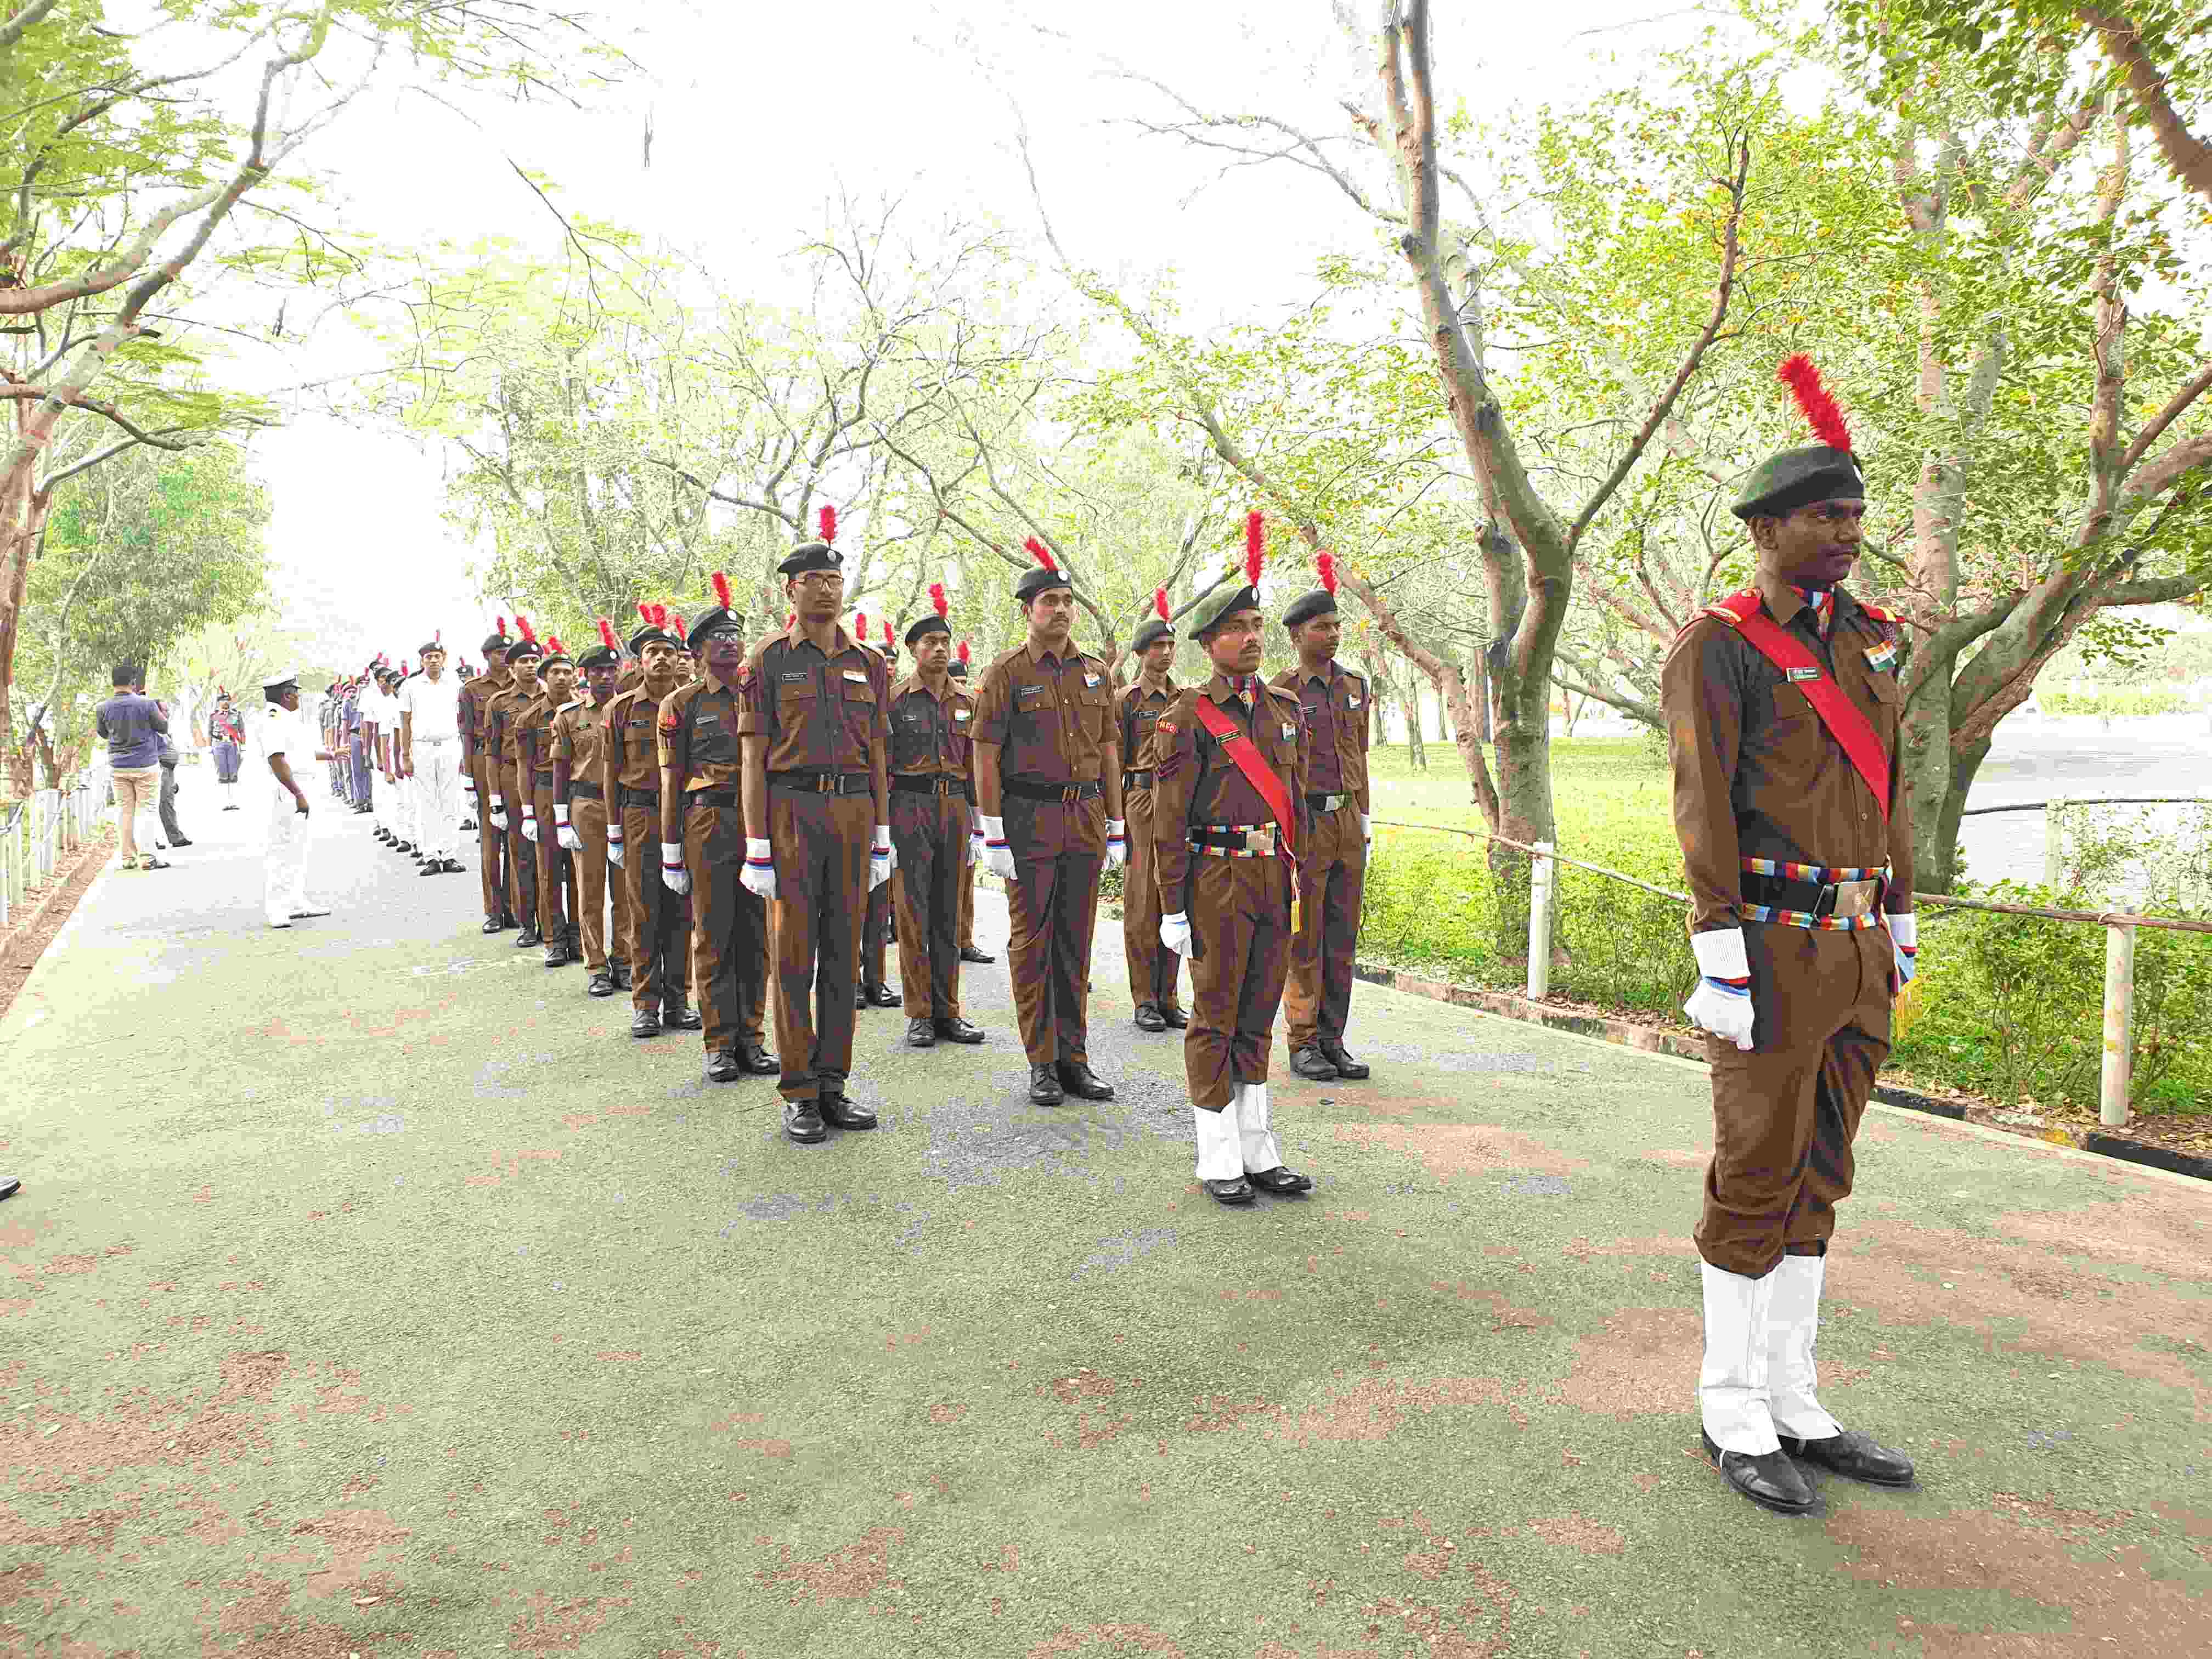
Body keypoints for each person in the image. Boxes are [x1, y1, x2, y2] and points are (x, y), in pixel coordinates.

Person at [1661, 355, 1918, 1517]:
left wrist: (1899, 915)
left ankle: (1794, 1399)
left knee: (1823, 1172)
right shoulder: (1718, 644)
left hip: (1858, 948)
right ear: (1765, 529)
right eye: (1825, 514)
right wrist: (1717, 951)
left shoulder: (1873, 637)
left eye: (1855, 513)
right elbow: (1702, 802)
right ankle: (1730, 1406)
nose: (1848, 531)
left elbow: (1891, 787)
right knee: (1756, 1170)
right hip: (1768, 946)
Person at [1150, 513, 1315, 1205]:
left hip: (1273, 876)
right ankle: (1218, 1156)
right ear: (1208, 643)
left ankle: (1259, 1150)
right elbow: (1167, 820)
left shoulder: (1283, 709)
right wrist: (1172, 907)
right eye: (1235, 629)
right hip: (1214, 879)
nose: (1250, 638)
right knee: (1214, 1016)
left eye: (1256, 625)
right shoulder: (1186, 717)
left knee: (1259, 1013)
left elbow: (1296, 806)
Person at [729, 514, 891, 1138]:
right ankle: (799, 1089)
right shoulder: (767, 659)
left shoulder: (869, 662)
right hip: (792, 812)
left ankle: (834, 1083)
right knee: (794, 957)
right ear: (790, 589)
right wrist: (758, 846)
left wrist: (882, 834)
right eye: (814, 580)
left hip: (852, 812)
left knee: (845, 957)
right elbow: (752, 757)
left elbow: (878, 753)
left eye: (834, 579)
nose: (826, 589)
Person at [972, 539, 1124, 1107]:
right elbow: (985, 753)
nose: (1059, 610)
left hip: (1083, 815)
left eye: (1066, 601)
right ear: (1027, 611)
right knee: (1032, 943)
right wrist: (992, 831)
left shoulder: (1095, 672)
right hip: (1028, 819)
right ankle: (1042, 1061)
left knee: (1075, 942)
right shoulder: (1006, 672)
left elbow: (1108, 749)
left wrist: (1116, 822)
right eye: (1048, 601)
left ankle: (1074, 1058)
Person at [659, 579, 778, 1082]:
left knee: (757, 936)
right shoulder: (681, 704)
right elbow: (671, 780)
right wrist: (670, 850)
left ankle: (753, 1037)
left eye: (735, 635)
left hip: (759, 823)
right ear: (698, 650)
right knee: (713, 936)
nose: (729, 643)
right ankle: (719, 1043)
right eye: (718, 637)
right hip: (708, 822)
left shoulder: (762, 694)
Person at [1273, 554, 1374, 1082]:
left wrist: (1366, 818)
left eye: (1336, 626)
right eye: (1321, 628)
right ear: (1296, 635)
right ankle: (1303, 1040)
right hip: (1305, 825)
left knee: (1342, 936)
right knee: (1305, 936)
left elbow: (1361, 756)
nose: (1333, 635)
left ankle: (1334, 1039)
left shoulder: (1354, 685)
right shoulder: (1280, 692)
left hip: (1347, 822)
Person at [888, 586, 986, 1048]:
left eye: (945, 642)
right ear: (913, 650)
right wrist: (884, 832)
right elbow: (883, 767)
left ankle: (949, 1011)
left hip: (954, 808)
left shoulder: (966, 701)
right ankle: (920, 1013)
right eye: (930, 643)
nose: (941, 649)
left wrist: (980, 827)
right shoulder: (895, 701)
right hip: (910, 806)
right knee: (914, 914)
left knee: (950, 912)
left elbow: (975, 767)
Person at [604, 606, 699, 1037]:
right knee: (644, 911)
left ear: (680, 659)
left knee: (681, 910)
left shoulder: (693, 703)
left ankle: (679, 1000)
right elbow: (610, 772)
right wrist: (614, 829)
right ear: (640, 662)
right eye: (652, 652)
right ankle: (645, 1004)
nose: (661, 658)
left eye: (668, 652)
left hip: (686, 814)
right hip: (640, 815)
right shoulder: (621, 709)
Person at [1118, 591, 1186, 1034]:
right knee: (1143, 902)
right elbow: (1114, 760)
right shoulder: (1126, 700)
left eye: (1170, 645)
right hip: (1141, 800)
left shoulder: (1186, 698)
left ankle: (1169, 997)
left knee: (1174, 898)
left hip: (1177, 803)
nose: (1165, 652)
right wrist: (1115, 821)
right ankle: (1144, 998)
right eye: (1157, 646)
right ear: (1142, 653)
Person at [553, 621, 629, 996]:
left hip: (625, 806)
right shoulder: (569, 716)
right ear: (586, 674)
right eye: (597, 670)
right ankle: (596, 965)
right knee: (590, 890)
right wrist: (561, 817)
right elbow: (560, 768)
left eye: (610, 670)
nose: (605, 676)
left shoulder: (629, 708)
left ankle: (624, 961)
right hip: (587, 805)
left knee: (625, 891)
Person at [258, 668, 335, 928]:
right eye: (295, 693)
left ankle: (295, 902)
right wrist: (298, 794)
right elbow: (277, 760)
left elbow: (298, 753)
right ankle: (277, 909)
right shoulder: (272, 719)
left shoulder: (286, 718)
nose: (298, 698)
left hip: (298, 784)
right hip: (288, 787)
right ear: (286, 696)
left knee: (298, 848)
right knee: (282, 850)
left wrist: (330, 755)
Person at [484, 624, 546, 947]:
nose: (531, 666)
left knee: (551, 857)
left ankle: (552, 924)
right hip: (512, 779)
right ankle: (527, 923)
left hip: (548, 779)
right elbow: (492, 753)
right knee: (522, 855)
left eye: (535, 660)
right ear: (512, 666)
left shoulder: (556, 696)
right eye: (524, 661)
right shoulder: (499, 703)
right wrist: (495, 798)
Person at [521, 637, 580, 967]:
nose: (561, 678)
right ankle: (554, 940)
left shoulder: (587, 711)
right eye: (555, 672)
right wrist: (528, 812)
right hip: (544, 792)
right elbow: (524, 768)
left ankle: (579, 938)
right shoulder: (530, 718)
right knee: (549, 870)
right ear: (545, 677)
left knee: (580, 871)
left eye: (567, 672)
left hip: (578, 793)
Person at [460, 622, 516, 933]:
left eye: (507, 652)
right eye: (498, 653)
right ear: (486, 656)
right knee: (491, 839)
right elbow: (467, 736)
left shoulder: (522, 683)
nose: (504, 657)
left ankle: (516, 907)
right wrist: (469, 777)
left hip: (515, 762)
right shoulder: (472, 689)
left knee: (518, 839)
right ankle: (494, 910)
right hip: (484, 761)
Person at [400, 635, 467, 875]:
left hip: (450, 745)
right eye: (429, 657)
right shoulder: (410, 686)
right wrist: (405, 755)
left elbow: (463, 719)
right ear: (422, 661)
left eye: (437, 656)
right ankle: (430, 855)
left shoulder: (455, 684)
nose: (433, 661)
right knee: (426, 803)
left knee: (451, 802)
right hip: (422, 747)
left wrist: (464, 752)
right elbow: (405, 722)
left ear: (444, 659)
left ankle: (449, 855)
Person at [94, 664, 168, 871]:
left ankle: (127, 858)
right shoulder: (146, 704)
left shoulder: (102, 708)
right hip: (145, 764)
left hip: (118, 766)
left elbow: (103, 733)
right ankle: (148, 858)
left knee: (124, 812)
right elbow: (163, 727)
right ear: (133, 683)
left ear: (113, 683)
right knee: (146, 810)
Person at [949, 641, 995, 966]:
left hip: (967, 805)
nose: (962, 686)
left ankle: (964, 939)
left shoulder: (973, 708)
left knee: (965, 881)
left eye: (965, 681)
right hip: (939, 801)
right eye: (958, 680)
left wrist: (980, 824)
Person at [150, 693, 191, 850]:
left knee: (167, 804)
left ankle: (175, 837)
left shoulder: (163, 729)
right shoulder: (153, 728)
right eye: (165, 710)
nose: (168, 713)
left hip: (168, 771)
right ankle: (154, 840)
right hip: (160, 769)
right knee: (159, 805)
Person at [211, 692, 244, 810]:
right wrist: (209, 748)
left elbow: (242, 731)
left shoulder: (237, 714)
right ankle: (224, 802)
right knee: (222, 773)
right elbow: (209, 732)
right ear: (219, 702)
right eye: (223, 700)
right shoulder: (214, 716)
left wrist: (243, 746)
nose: (225, 702)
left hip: (232, 744)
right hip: (219, 745)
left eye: (227, 700)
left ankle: (233, 801)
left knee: (234, 773)